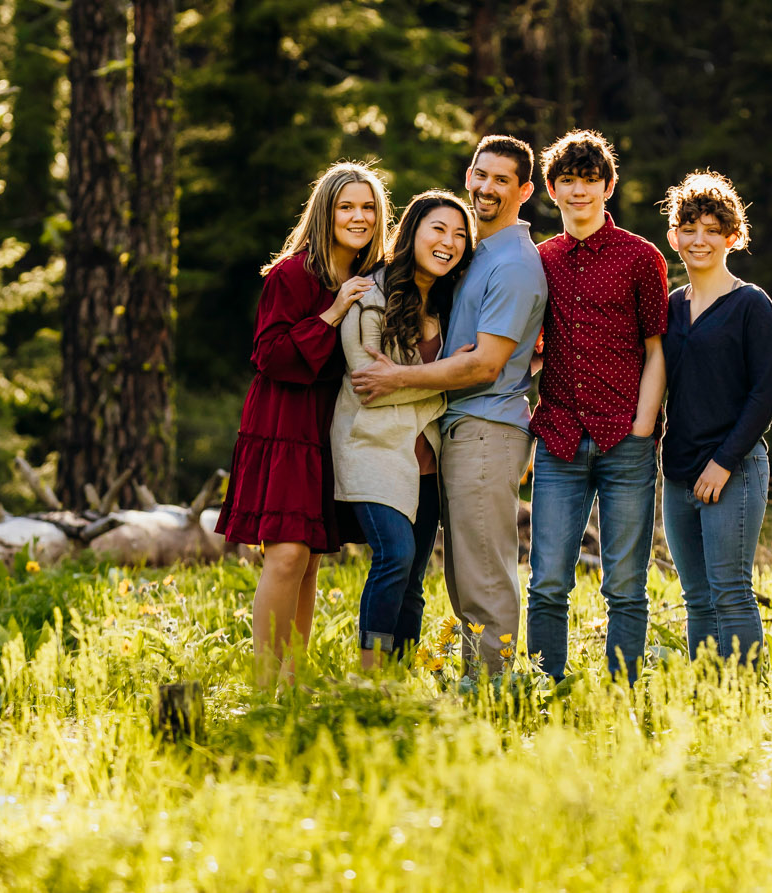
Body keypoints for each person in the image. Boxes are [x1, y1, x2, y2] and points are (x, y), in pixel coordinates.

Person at [350, 135, 547, 675]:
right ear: (468, 175)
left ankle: (495, 691)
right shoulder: (476, 256)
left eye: (502, 179)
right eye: (481, 174)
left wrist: (397, 378)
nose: (487, 187)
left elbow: (484, 365)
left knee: (483, 575)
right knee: (464, 576)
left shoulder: (512, 264)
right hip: (458, 430)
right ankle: (478, 685)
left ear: (525, 191)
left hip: (487, 429)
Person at [216, 161, 389, 686]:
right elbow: (269, 355)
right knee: (288, 552)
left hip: (328, 426)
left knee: (310, 557)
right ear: (325, 212)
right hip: (284, 420)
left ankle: (293, 676)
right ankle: (264, 682)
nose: (358, 217)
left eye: (367, 207)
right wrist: (332, 314)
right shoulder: (294, 274)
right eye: (346, 207)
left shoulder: (370, 277)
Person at [526, 130, 669, 681]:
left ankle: (624, 690)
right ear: (551, 189)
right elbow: (529, 351)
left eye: (589, 181)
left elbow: (656, 349)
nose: (579, 191)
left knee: (626, 584)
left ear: (608, 186)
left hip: (625, 441)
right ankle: (544, 687)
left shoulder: (642, 258)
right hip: (558, 437)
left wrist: (642, 426)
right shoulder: (539, 261)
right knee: (547, 582)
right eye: (568, 181)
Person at [332, 190, 476, 670]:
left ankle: (399, 677)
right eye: (438, 228)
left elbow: (460, 373)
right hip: (373, 448)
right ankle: (369, 673)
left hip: (427, 461)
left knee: (414, 575)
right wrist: (443, 382)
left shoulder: (449, 306)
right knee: (394, 556)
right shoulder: (368, 295)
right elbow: (368, 384)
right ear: (412, 230)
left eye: (460, 235)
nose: (449, 241)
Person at [659, 171, 772, 665]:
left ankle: (742, 704)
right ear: (674, 237)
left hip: (734, 468)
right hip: (678, 472)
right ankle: (709, 702)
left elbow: (767, 392)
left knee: (730, 591)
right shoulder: (671, 307)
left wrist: (723, 462)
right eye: (689, 227)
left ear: (732, 237)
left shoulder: (752, 305)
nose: (699, 239)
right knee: (696, 598)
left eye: (712, 229)